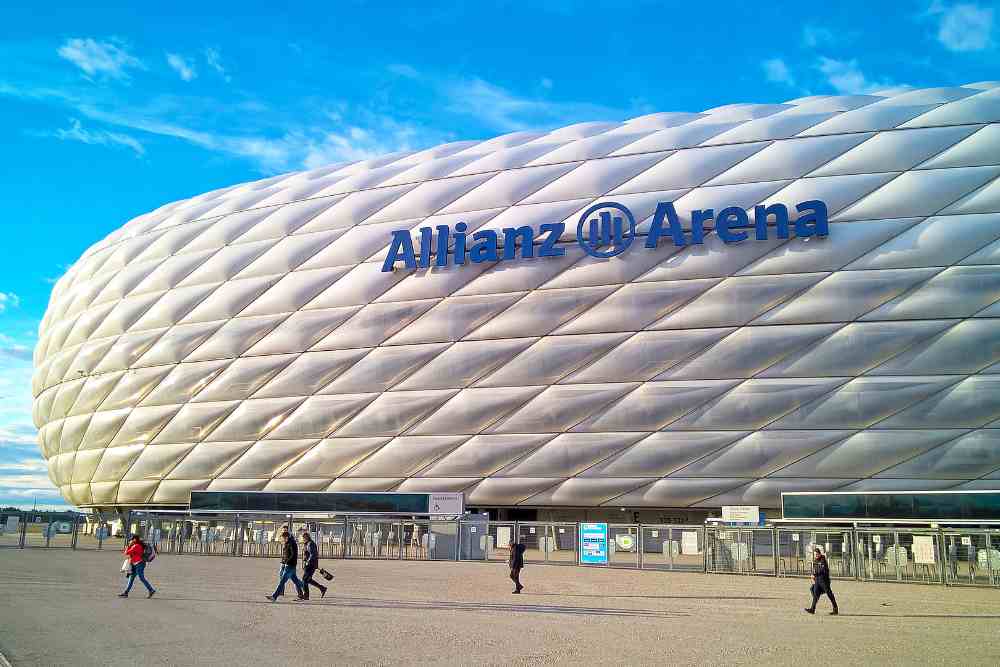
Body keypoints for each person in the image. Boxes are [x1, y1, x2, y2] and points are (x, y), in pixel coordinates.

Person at [266, 529, 305, 602]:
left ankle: (274, 596)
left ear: (286, 537)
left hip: (290, 565)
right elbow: (286, 554)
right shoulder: (288, 543)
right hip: (289, 565)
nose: (282, 539)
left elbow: (293, 555)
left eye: (283, 537)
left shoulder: (292, 543)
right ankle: (304, 588)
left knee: (282, 581)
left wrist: (286, 561)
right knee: (296, 581)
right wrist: (283, 561)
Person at [805, 546, 838, 615]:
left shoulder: (823, 560)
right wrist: (812, 574)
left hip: (824, 580)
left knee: (829, 594)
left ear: (819, 554)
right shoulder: (815, 561)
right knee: (814, 591)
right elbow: (814, 570)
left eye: (817, 554)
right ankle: (812, 609)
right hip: (817, 580)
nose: (816, 555)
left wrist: (815, 573)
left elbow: (823, 570)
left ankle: (835, 608)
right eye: (815, 554)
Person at [299, 531, 327, 600]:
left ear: (306, 537)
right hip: (309, 564)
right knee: (308, 580)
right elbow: (306, 554)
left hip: (311, 565)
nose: (303, 539)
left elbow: (313, 554)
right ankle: (322, 588)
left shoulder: (311, 544)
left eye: (303, 538)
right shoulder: (307, 544)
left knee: (305, 579)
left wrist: (307, 562)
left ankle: (306, 595)